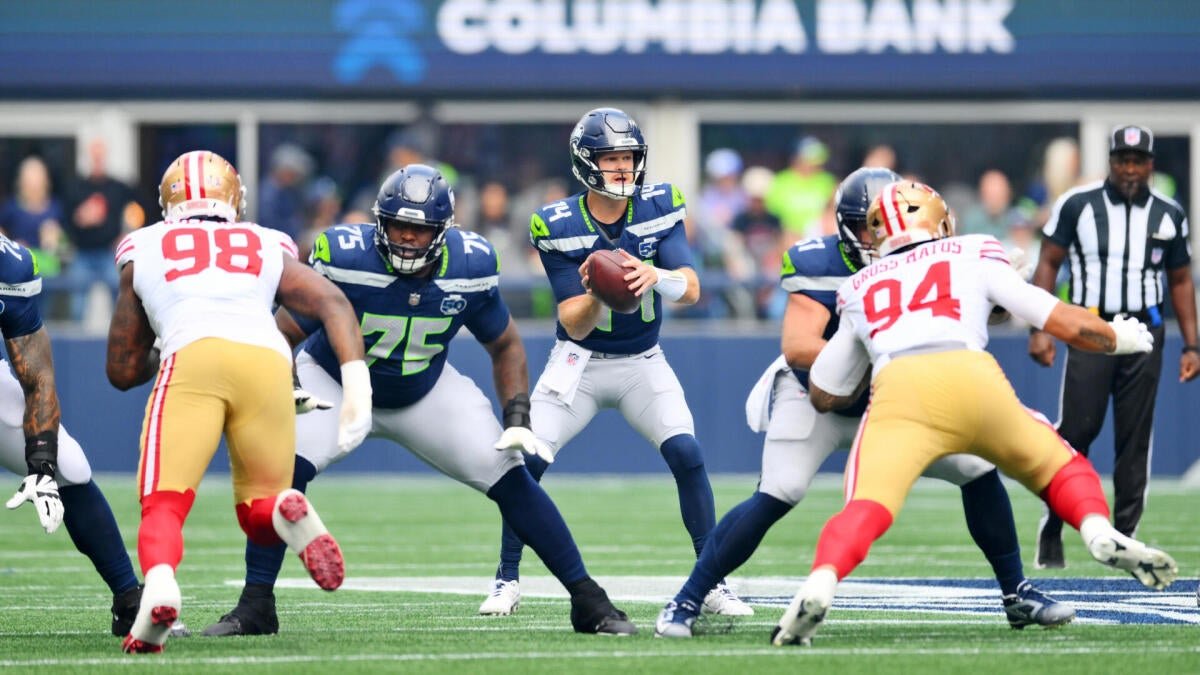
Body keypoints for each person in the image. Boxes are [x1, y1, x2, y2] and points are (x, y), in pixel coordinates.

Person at [201, 163, 637, 638]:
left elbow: (505, 344)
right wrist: (289, 386)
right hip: (334, 383)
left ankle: (588, 600)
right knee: (282, 471)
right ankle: (256, 604)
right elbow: (282, 332)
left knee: (512, 477)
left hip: (423, 389)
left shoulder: (469, 266)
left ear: (443, 231)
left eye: (420, 228)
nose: (407, 237)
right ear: (379, 222)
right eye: (397, 225)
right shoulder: (346, 258)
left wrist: (517, 416)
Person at [655, 168, 1073, 639]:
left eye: (884, 221)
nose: (878, 234)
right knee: (780, 490)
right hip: (816, 397)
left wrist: (995, 294)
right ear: (844, 226)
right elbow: (798, 346)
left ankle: (1016, 592)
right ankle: (687, 599)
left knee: (976, 469)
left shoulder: (933, 255)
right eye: (866, 224)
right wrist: (880, 351)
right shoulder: (817, 262)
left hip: (893, 401)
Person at [770, 180, 1178, 647]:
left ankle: (822, 580)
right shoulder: (975, 250)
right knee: (1058, 464)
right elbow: (1057, 318)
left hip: (900, 392)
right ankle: (1097, 529)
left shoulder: (860, 285)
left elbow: (824, 390)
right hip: (972, 376)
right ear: (940, 222)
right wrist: (1116, 337)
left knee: (865, 506)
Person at [478, 107, 750, 618]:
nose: (623, 168)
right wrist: (601, 293)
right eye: (611, 158)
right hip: (577, 362)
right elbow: (573, 320)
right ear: (587, 163)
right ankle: (506, 579)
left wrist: (655, 275)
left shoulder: (659, 206)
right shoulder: (557, 223)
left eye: (628, 157)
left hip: (642, 360)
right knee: (525, 464)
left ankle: (713, 581)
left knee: (687, 453)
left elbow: (692, 288)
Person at [106, 150, 371, 654]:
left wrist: (161, 340)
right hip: (268, 361)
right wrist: (358, 388)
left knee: (164, 503)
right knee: (259, 508)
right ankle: (287, 509)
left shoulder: (144, 244)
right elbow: (333, 302)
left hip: (195, 357)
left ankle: (160, 588)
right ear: (233, 197)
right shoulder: (265, 241)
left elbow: (121, 370)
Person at [1028, 125, 1199, 569]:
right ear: (1111, 162)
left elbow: (1181, 280)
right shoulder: (1077, 205)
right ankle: (1054, 522)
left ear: (1150, 165)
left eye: (1138, 161)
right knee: (1077, 430)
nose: (1130, 169)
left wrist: (1193, 345)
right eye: (1123, 160)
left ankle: (1125, 535)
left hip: (1144, 332)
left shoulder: (1168, 214)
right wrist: (1041, 328)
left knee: (1134, 438)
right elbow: (1049, 261)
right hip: (1091, 327)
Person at [0, 231, 144, 636]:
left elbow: (38, 377)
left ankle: (129, 600)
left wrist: (41, 464)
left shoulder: (9, 266)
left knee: (69, 467)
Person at [62, 139, 134, 322]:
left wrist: (127, 234)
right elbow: (64, 220)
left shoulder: (118, 187)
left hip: (109, 253)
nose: (98, 160)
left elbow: (139, 208)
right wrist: (79, 218)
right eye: (95, 156)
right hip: (82, 254)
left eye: (100, 156)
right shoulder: (76, 187)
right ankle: (75, 339)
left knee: (121, 301)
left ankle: (122, 337)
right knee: (77, 305)